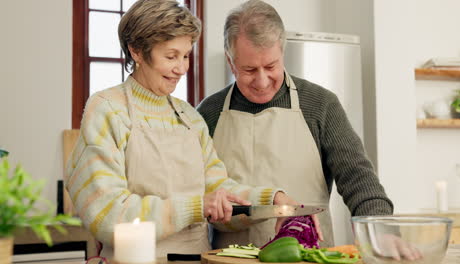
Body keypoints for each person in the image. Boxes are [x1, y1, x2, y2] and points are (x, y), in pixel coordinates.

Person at [65, 0, 294, 261]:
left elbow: (219, 190)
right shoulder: (107, 110)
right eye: (171, 56)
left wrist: (272, 199)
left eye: (186, 56)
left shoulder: (189, 118)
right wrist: (197, 206)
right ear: (137, 51)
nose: (182, 68)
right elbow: (107, 214)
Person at [197, 0, 394, 249]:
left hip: (308, 256)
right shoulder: (208, 112)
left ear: (282, 51)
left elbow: (357, 176)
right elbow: (194, 192)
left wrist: (379, 229)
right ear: (230, 61)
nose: (262, 80)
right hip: (227, 258)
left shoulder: (320, 104)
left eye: (270, 66)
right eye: (249, 69)